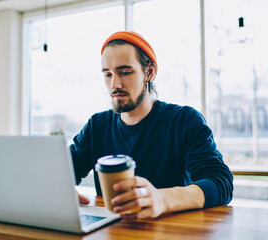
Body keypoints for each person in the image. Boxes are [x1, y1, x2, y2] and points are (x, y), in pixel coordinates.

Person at [70, 31, 233, 220]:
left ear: (149, 72)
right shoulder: (96, 127)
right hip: (113, 232)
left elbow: (221, 182)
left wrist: (163, 199)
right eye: (107, 74)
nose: (115, 84)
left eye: (125, 72)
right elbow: (60, 173)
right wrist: (57, 189)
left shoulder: (184, 121)